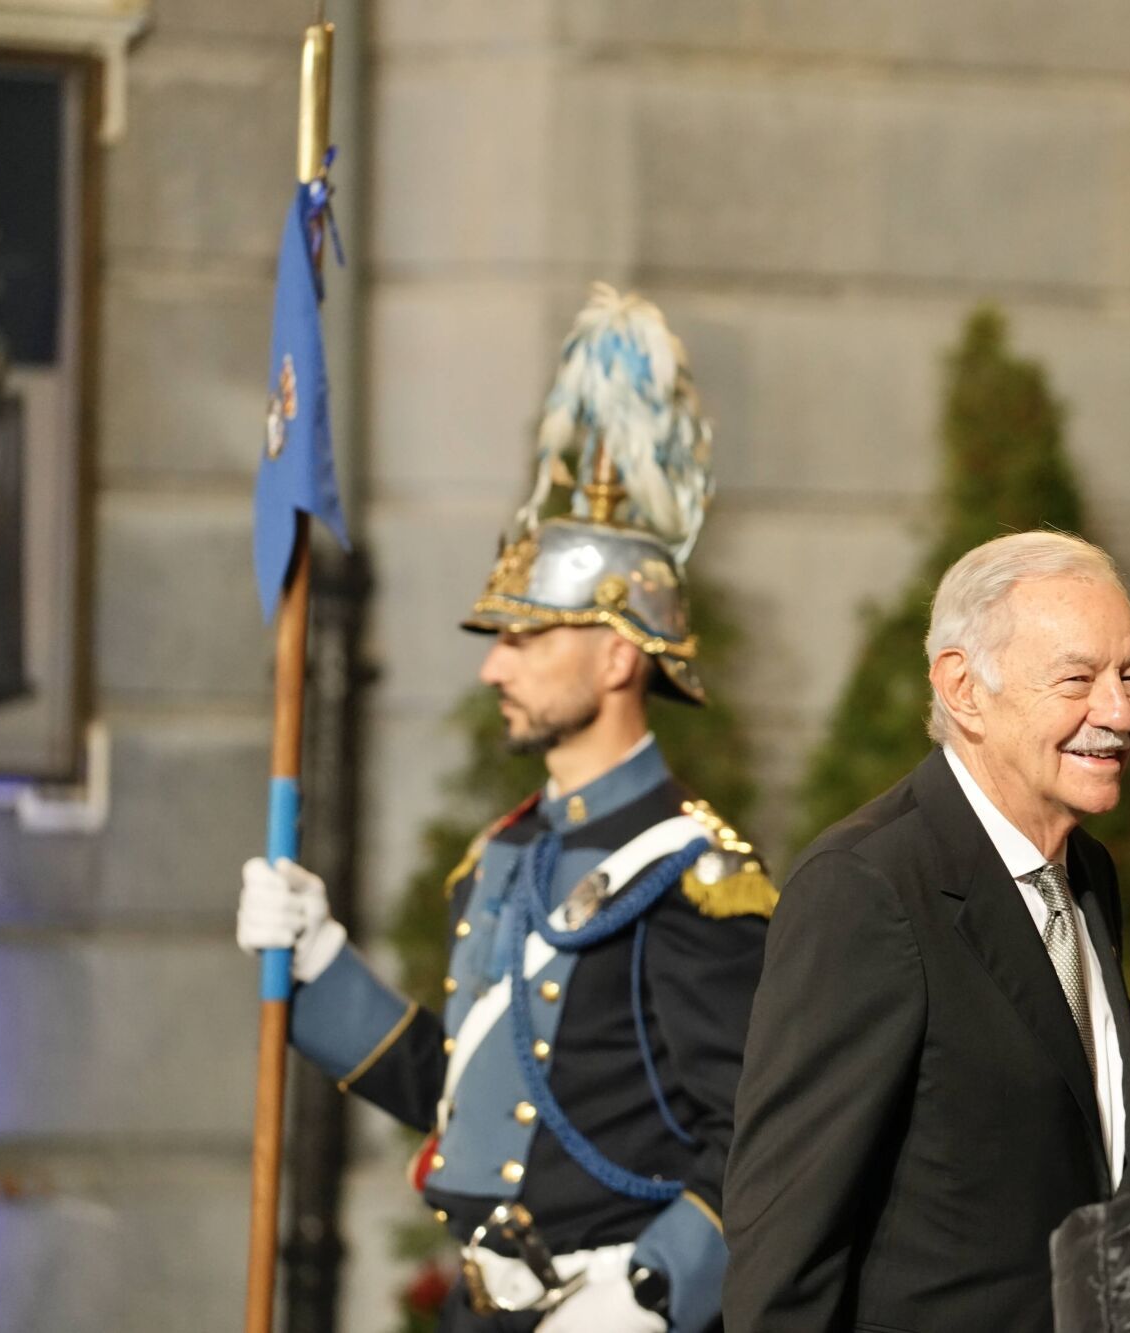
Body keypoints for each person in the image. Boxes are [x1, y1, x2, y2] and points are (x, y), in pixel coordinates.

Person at [236, 286, 773, 1333]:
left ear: (619, 655)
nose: (492, 669)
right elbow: (466, 1096)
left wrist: (655, 1289)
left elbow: (764, 1132)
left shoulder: (693, 877)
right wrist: (315, 968)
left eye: (526, 639)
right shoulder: (506, 854)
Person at [721, 531, 1130, 1333]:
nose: (1118, 712)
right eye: (1078, 679)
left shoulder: (1088, 876)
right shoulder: (867, 889)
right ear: (963, 688)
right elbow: (786, 1237)